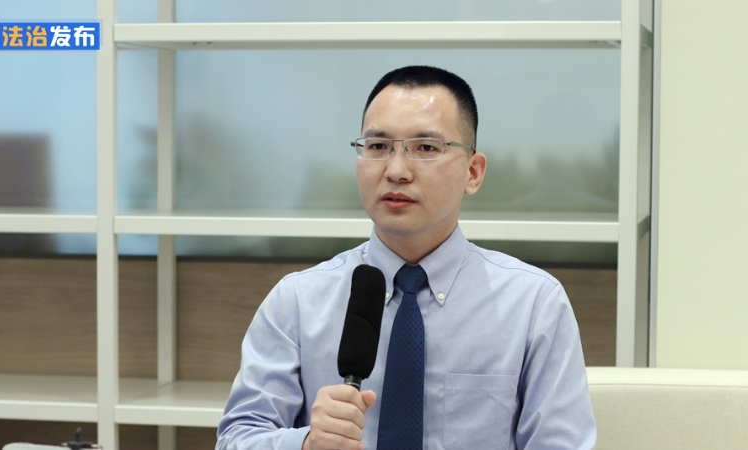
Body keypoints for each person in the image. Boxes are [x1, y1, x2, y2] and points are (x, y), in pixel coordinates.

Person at [215, 66, 596, 450]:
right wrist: (306, 443)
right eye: (378, 147)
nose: (396, 171)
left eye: (426, 148)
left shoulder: (533, 305)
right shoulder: (296, 301)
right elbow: (236, 437)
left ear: (473, 172)